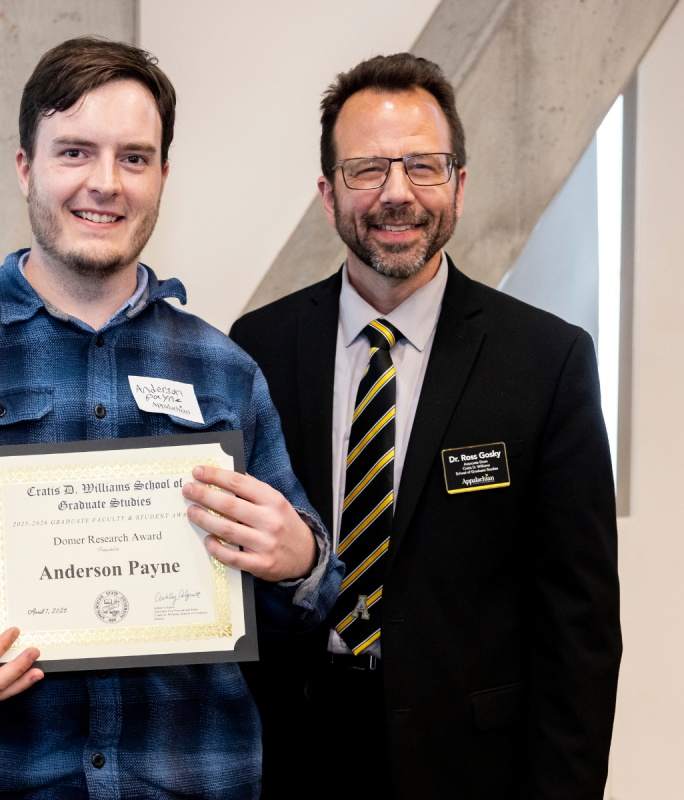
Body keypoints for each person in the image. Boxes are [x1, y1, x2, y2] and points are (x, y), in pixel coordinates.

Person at [0, 36, 342, 799]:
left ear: (163, 176)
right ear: (25, 168)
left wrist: (300, 557)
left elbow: (307, 599)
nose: (105, 183)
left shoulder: (225, 370)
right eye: (74, 152)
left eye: (134, 158)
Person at [231, 53, 622, 799]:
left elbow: (581, 628)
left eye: (424, 166)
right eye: (367, 169)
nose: (397, 194)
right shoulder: (257, 348)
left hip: (471, 764)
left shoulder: (547, 362)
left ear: (460, 185)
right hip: (291, 755)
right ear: (327, 193)